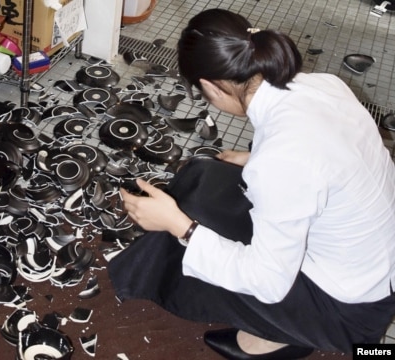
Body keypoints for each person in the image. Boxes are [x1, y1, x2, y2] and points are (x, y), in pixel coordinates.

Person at [109, 8, 395, 360]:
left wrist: (180, 226)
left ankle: (293, 331)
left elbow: (268, 282)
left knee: (183, 237)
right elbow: (337, 152)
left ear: (212, 86)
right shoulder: (322, 84)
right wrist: (252, 157)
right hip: (372, 264)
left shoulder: (281, 163)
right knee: (204, 175)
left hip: (347, 310)